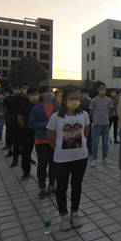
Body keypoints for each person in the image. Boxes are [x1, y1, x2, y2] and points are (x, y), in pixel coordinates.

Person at [46, 89, 90, 231]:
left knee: (77, 185)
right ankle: (64, 215)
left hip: (80, 157)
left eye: (77, 98)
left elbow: (86, 133)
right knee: (61, 187)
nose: (75, 101)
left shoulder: (83, 114)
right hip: (61, 159)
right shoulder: (56, 117)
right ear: (64, 101)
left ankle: (75, 213)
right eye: (72, 98)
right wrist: (59, 148)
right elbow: (50, 137)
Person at [29, 86, 59, 199]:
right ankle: (42, 187)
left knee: (54, 164)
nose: (50, 93)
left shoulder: (59, 107)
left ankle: (52, 185)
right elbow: (31, 124)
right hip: (41, 140)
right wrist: (47, 123)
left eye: (51, 91)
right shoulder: (36, 109)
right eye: (47, 92)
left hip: (55, 139)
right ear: (41, 94)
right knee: (42, 164)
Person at [18, 87, 40, 180]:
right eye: (32, 94)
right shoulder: (24, 106)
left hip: (41, 132)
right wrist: (28, 127)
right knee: (26, 151)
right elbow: (20, 120)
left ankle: (42, 171)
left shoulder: (42, 105)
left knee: (42, 153)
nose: (34, 96)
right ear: (28, 96)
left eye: (36, 94)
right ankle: (26, 171)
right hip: (28, 132)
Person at [89, 82, 113, 167]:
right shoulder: (93, 100)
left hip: (106, 124)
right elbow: (91, 112)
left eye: (103, 88)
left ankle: (105, 158)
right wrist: (97, 118)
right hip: (96, 124)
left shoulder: (109, 100)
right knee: (95, 143)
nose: (102, 89)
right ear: (97, 90)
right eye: (100, 88)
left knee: (105, 143)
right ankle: (94, 159)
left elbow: (109, 110)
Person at [79, 88, 92, 154]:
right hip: (80, 119)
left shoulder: (90, 101)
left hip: (89, 119)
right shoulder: (78, 101)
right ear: (81, 94)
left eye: (87, 93)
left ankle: (90, 148)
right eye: (84, 93)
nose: (85, 94)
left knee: (89, 134)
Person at [2, 87, 14, 154]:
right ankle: (9, 149)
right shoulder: (7, 99)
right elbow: (4, 109)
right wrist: (8, 116)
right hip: (10, 119)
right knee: (9, 134)